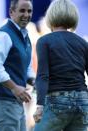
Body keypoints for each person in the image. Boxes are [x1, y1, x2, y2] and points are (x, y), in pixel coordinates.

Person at [33, 0, 88, 131]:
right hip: (82, 100)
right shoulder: (82, 42)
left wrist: (39, 105)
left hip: (56, 100)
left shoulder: (44, 41)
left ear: (51, 16)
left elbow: (43, 75)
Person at [0, 0, 35, 131]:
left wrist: (34, 81)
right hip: (1, 101)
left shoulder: (24, 35)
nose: (26, 14)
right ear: (11, 12)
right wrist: (14, 87)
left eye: (29, 11)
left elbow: (26, 66)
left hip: (14, 102)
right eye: (22, 10)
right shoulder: (4, 35)